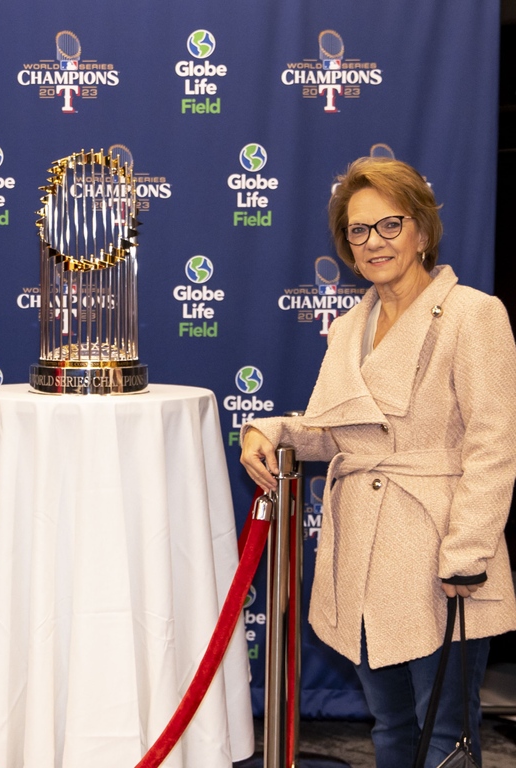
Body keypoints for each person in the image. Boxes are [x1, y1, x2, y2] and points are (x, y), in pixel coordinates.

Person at [240, 156, 516, 767]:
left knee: (444, 732)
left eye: (389, 225)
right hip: (360, 557)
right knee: (390, 726)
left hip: (439, 554)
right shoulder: (350, 325)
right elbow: (340, 435)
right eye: (358, 231)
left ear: (421, 229)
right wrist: (268, 429)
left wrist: (467, 554)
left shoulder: (473, 314)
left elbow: (492, 446)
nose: (374, 242)